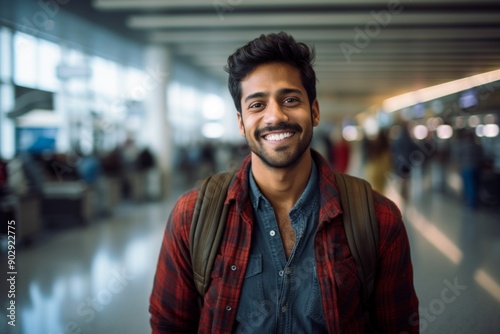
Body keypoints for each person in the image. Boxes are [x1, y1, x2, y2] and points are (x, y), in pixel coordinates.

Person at [149, 32, 419, 333]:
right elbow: (169, 324)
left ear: (314, 112)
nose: (275, 116)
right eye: (257, 105)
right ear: (240, 123)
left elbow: (398, 326)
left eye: (290, 100)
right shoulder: (192, 216)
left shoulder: (378, 218)